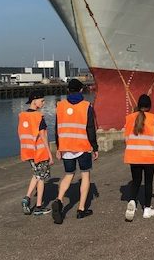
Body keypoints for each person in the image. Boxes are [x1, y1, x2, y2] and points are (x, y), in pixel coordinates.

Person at [51, 79, 99, 224]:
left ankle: (59, 200)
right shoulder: (86, 106)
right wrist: (95, 147)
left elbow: (57, 129)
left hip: (66, 146)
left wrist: (59, 147)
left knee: (69, 175)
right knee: (85, 175)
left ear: (68, 90)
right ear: (80, 90)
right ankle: (81, 209)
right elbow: (90, 129)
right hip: (82, 145)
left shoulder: (60, 106)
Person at [124, 94, 154, 221]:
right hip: (149, 156)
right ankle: (147, 209)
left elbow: (126, 138)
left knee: (136, 181)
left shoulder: (130, 118)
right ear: (150, 106)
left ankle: (132, 201)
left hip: (134, 155)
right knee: (148, 182)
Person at [18, 90, 54, 216]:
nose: (44, 103)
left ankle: (26, 198)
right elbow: (43, 137)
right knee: (41, 178)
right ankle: (38, 207)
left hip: (28, 152)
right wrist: (50, 154)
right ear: (34, 100)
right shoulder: (38, 117)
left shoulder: (22, 115)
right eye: (42, 100)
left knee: (36, 174)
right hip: (39, 152)